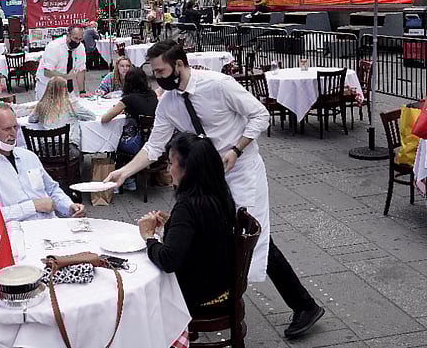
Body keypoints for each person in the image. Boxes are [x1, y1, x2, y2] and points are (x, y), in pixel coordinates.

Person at [104, 40, 324, 339]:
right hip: (210, 177)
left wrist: (236, 149)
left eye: (161, 71)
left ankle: (292, 303)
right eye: (153, 72)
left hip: (242, 170)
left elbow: (260, 115)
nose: (158, 78)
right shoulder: (169, 102)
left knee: (249, 236)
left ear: (179, 65)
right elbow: (155, 146)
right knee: (224, 235)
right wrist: (123, 172)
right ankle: (210, 300)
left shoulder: (219, 85)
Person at [138, 132, 236, 312]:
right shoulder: (218, 194)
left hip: (199, 295)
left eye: (170, 163)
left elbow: (168, 261)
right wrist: (171, 222)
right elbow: (204, 232)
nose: (168, 169)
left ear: (187, 169)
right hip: (221, 284)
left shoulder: (188, 205)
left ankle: (155, 335)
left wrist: (148, 236)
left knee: (137, 291)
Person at [0, 102, 85, 221]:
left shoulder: (28, 156)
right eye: (7, 129)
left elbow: (51, 189)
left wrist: (69, 206)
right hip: (17, 234)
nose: (13, 133)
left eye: (15, 127)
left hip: (51, 226)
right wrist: (33, 206)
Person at [101, 66, 158, 192]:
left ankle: (125, 178)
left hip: (138, 143)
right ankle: (131, 178)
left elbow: (105, 119)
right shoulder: (152, 94)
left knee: (115, 140)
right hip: (154, 139)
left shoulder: (129, 99)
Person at [29, 76, 96, 163]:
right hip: (67, 148)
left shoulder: (42, 105)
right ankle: (75, 173)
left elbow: (31, 119)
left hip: (45, 149)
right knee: (78, 154)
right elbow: (91, 116)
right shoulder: (71, 104)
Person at [35, 25, 87, 99]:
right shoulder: (54, 46)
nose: (77, 42)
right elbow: (47, 71)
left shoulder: (80, 47)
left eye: (80, 39)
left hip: (66, 88)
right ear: (68, 36)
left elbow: (81, 70)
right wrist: (66, 77)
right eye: (75, 38)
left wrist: (82, 92)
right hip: (47, 87)